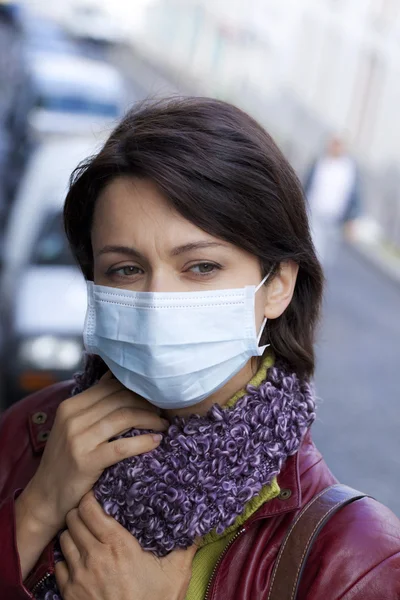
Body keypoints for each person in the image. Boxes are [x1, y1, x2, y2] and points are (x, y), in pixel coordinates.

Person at [0, 98, 399, 600]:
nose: (156, 302)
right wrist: (35, 510)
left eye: (201, 267)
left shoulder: (353, 559)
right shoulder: (29, 433)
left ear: (277, 285)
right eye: (125, 268)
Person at [304, 136, 363, 266]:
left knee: (326, 254)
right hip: (314, 212)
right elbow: (307, 184)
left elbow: (355, 196)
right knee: (313, 247)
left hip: (335, 218)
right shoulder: (320, 162)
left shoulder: (348, 169)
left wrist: (352, 219)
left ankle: (317, 278)